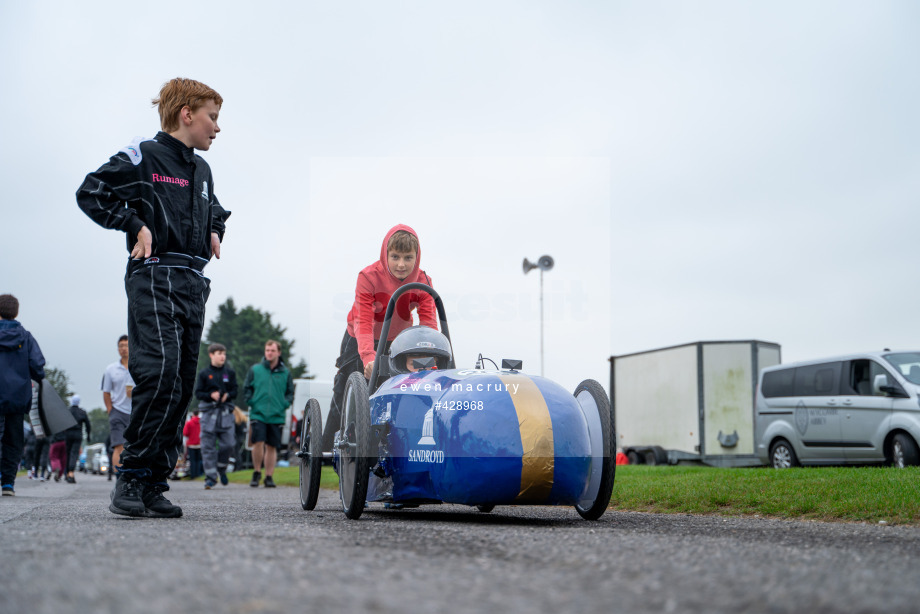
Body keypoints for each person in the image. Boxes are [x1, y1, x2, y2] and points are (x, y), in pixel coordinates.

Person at [76, 77, 230, 518]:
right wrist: (133, 224)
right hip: (153, 276)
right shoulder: (142, 154)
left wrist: (215, 229)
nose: (217, 128)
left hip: (192, 282)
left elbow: (214, 206)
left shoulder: (202, 169)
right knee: (158, 372)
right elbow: (91, 191)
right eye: (212, 117)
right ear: (187, 114)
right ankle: (130, 477)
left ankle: (153, 484)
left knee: (181, 384)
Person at [322, 225, 437, 450]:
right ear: (385, 254)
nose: (401, 264)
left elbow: (428, 327)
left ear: (417, 257)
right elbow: (363, 322)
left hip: (396, 341)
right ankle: (326, 448)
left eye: (408, 258)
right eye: (395, 257)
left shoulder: (423, 282)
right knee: (348, 390)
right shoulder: (368, 277)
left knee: (390, 389)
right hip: (359, 337)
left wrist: (427, 360)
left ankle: (381, 448)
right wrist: (367, 357)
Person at [0, 294, 46, 496]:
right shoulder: (26, 337)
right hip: (17, 398)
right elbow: (38, 366)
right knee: (13, 440)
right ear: (16, 312)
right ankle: (8, 483)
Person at [243, 340, 294, 488]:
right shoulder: (255, 370)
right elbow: (247, 388)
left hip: (277, 414)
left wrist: (285, 404)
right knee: (258, 442)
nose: (269, 353)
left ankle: (269, 476)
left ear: (278, 352)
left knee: (272, 446)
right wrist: (251, 402)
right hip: (258, 413)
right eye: (267, 350)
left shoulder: (285, 373)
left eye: (272, 350)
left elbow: (290, 392)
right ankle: (257, 472)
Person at [195, 343, 238, 489]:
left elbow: (235, 391)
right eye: (219, 353)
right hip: (209, 414)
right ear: (211, 355)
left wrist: (228, 395)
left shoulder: (229, 373)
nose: (222, 356)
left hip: (225, 413)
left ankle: (221, 468)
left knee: (229, 444)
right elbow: (198, 393)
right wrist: (210, 395)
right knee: (208, 447)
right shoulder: (204, 373)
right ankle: (211, 478)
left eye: (224, 354)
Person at [102, 335, 134, 482]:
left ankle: (133, 476)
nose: (123, 349)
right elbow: (106, 392)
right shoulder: (111, 369)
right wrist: (110, 410)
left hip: (135, 411)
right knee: (118, 446)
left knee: (133, 446)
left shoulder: (138, 367)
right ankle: (119, 477)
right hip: (118, 411)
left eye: (126, 345)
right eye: (121, 346)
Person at [387, 325, 452, 374]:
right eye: (415, 364)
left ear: (439, 365)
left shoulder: (450, 389)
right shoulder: (389, 391)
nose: (422, 369)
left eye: (429, 363)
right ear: (402, 365)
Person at [63, 394, 91, 484]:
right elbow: (88, 425)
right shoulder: (82, 412)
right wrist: (88, 435)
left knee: (68, 453)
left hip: (68, 434)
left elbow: (62, 423)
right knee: (74, 453)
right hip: (77, 434)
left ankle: (67, 473)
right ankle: (71, 472)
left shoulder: (67, 411)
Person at [182, 411, 202, 479]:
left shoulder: (189, 422)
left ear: (193, 414)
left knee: (192, 460)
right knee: (198, 460)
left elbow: (185, 433)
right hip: (200, 444)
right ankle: (198, 474)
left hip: (191, 444)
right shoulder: (202, 422)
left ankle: (193, 475)